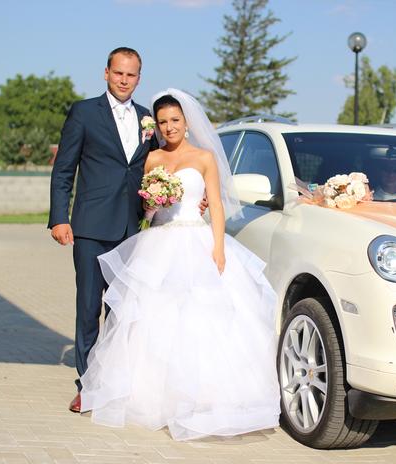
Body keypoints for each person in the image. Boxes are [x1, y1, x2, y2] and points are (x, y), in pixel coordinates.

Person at [78, 88, 280, 441]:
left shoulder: (204, 157)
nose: (169, 127)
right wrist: (153, 203)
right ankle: (151, 395)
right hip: (159, 242)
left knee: (200, 317)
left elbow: (216, 204)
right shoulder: (152, 159)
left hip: (196, 239)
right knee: (153, 318)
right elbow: (145, 211)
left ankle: (203, 397)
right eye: (162, 122)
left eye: (174, 120)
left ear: (187, 122)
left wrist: (219, 247)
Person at [48, 47, 156, 414]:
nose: (124, 80)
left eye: (131, 75)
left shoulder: (147, 119)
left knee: (122, 310)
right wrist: (59, 217)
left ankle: (116, 382)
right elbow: (64, 169)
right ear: (106, 73)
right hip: (91, 227)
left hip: (131, 227)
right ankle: (88, 386)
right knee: (89, 307)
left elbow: (158, 167)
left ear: (139, 78)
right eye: (118, 73)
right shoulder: (83, 112)